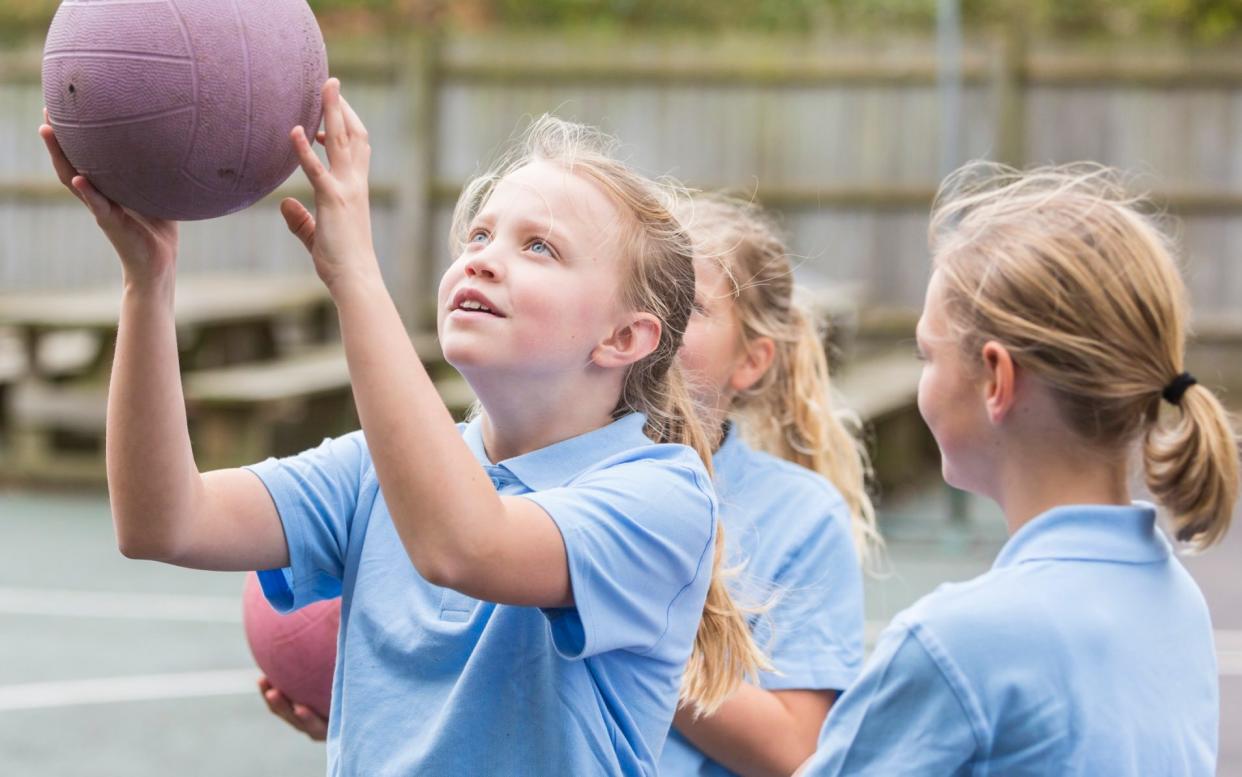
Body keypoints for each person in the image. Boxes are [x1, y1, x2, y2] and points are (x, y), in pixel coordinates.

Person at [39, 79, 765, 775]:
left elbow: (463, 545)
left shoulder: (661, 497)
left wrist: (356, 274)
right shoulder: (373, 472)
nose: (483, 257)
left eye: (538, 246)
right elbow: (162, 521)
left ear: (623, 337)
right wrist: (148, 281)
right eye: (479, 234)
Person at [799, 162, 1236, 775]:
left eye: (928, 353)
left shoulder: (955, 643)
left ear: (998, 380)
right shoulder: (1178, 604)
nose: (924, 376)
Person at [660, 194, 881, 777]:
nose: (653, 315)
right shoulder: (540, 470)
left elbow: (795, 749)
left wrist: (620, 616)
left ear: (752, 361)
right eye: (640, 290)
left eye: (688, 303)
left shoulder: (800, 515)